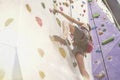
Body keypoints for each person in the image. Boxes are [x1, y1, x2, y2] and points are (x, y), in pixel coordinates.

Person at [52, 9, 93, 80]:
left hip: (81, 38)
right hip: (81, 48)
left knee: (65, 22)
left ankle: (63, 38)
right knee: (82, 69)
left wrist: (60, 12)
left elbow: (73, 20)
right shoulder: (89, 36)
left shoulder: (85, 25)